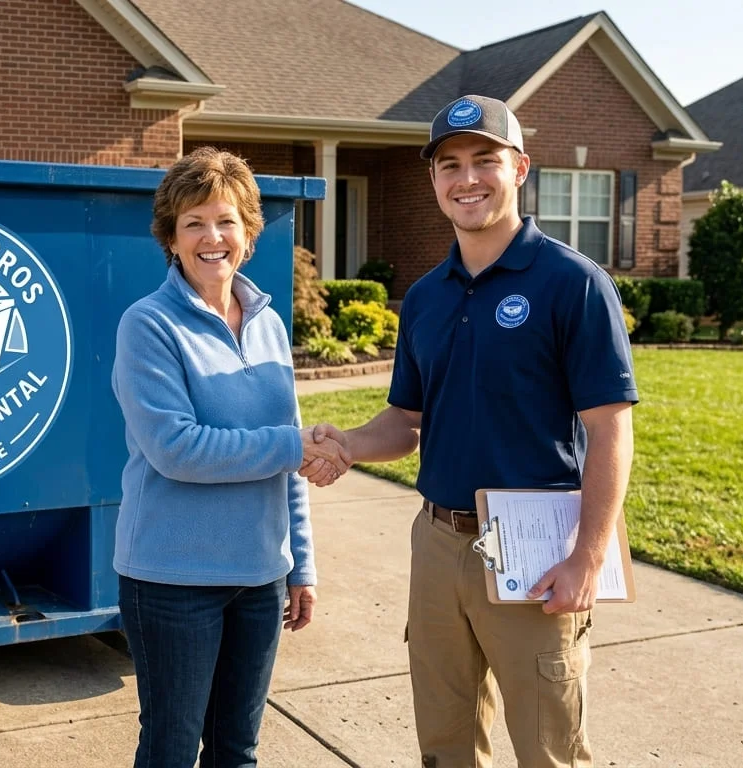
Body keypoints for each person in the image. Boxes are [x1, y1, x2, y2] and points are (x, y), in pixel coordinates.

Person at [308, 95, 638, 767]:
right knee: (445, 743)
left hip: (535, 548)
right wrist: (349, 444)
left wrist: (587, 557)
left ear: (520, 168)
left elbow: (610, 432)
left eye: (485, 160)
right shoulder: (426, 296)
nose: (467, 179)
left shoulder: (573, 283)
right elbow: (407, 421)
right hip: (437, 542)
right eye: (450, 164)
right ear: (433, 179)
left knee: (548, 749)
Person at [111, 146, 348, 768]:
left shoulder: (268, 323)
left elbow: (287, 451)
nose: (211, 237)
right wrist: (294, 446)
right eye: (194, 223)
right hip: (172, 579)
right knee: (170, 750)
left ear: (247, 235)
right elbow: (176, 449)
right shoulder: (148, 325)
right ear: (171, 238)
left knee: (237, 751)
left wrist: (300, 563)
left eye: (226, 221)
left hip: (259, 577)